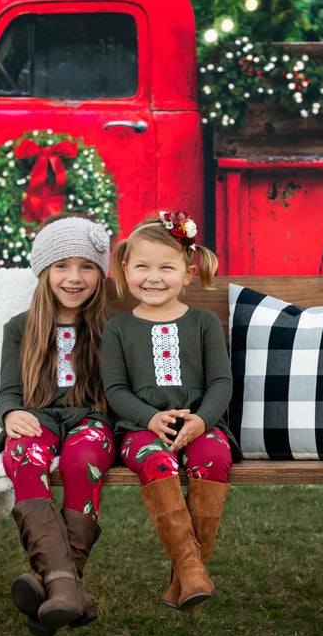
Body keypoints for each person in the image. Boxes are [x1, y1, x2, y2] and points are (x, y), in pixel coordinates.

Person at [0, 214, 115, 636]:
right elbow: (7, 390)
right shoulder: (20, 328)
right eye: (62, 266)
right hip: (38, 417)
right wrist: (9, 415)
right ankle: (69, 592)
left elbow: (117, 391)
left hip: (91, 419)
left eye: (87, 266)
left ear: (100, 273)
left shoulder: (110, 328)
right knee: (22, 455)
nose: (74, 278)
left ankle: (55, 586)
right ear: (44, 271)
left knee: (83, 463)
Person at [102, 211, 240, 611]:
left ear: (188, 273)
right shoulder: (119, 329)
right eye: (142, 266)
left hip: (202, 424)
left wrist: (202, 420)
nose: (154, 277)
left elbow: (221, 383)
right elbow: (115, 389)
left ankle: (187, 576)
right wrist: (148, 417)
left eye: (166, 267)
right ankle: (190, 567)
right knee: (155, 460)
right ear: (125, 269)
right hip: (141, 428)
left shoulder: (204, 323)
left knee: (213, 459)